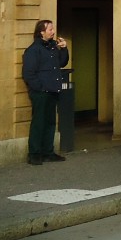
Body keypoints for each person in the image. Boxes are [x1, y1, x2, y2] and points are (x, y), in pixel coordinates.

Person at [22, 19, 70, 164]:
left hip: (53, 90)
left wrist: (64, 49)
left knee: (50, 122)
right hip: (41, 92)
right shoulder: (33, 50)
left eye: (53, 29)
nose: (53, 31)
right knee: (38, 122)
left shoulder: (53, 47)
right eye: (50, 29)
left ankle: (48, 151)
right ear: (41, 32)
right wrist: (40, 87)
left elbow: (62, 62)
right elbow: (28, 74)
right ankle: (34, 153)